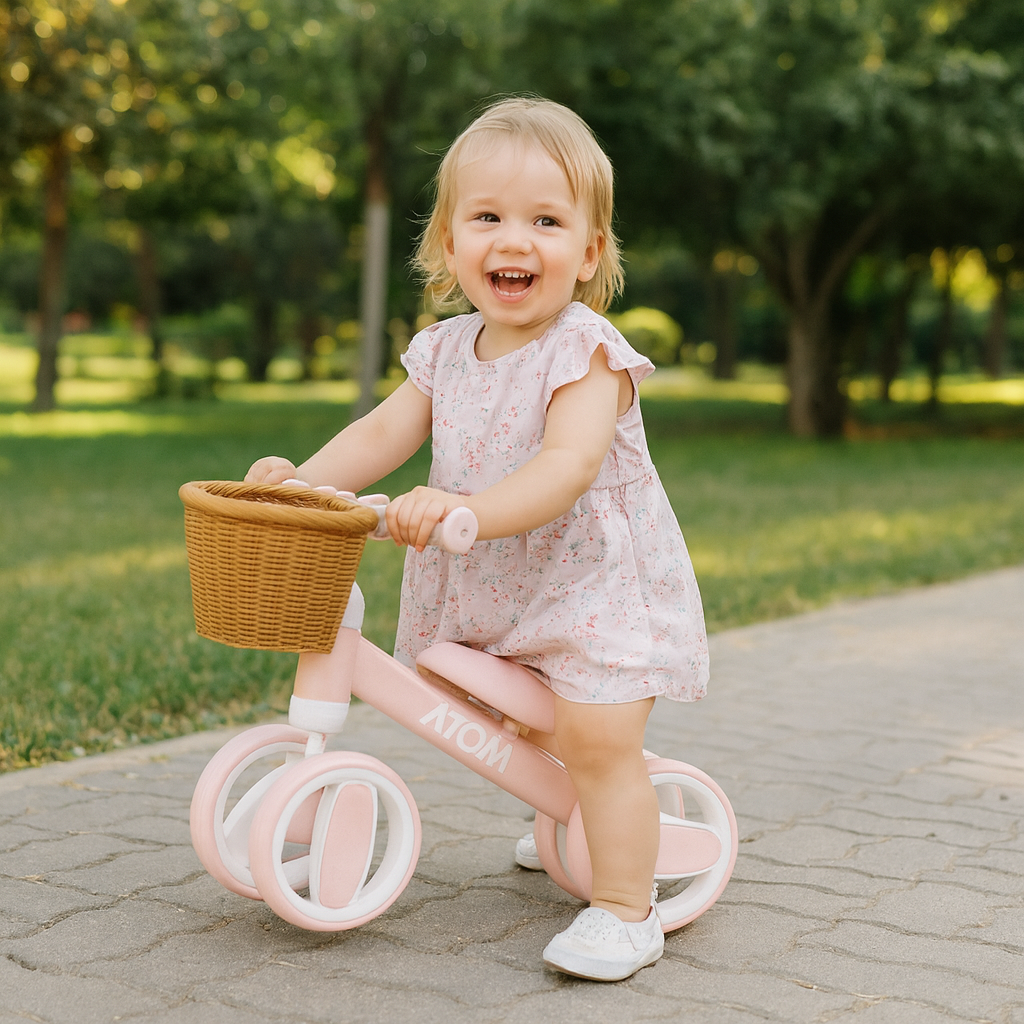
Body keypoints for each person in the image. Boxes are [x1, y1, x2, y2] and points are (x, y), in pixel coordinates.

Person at [245, 96, 709, 981]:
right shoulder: (445, 351)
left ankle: (623, 905)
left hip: (592, 585)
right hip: (500, 578)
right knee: (513, 714)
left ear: (589, 253)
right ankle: (564, 806)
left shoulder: (589, 352)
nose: (515, 241)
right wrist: (305, 484)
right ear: (450, 247)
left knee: (598, 738)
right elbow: (380, 436)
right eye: (488, 217)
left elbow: (567, 467)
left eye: (547, 221)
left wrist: (465, 512)